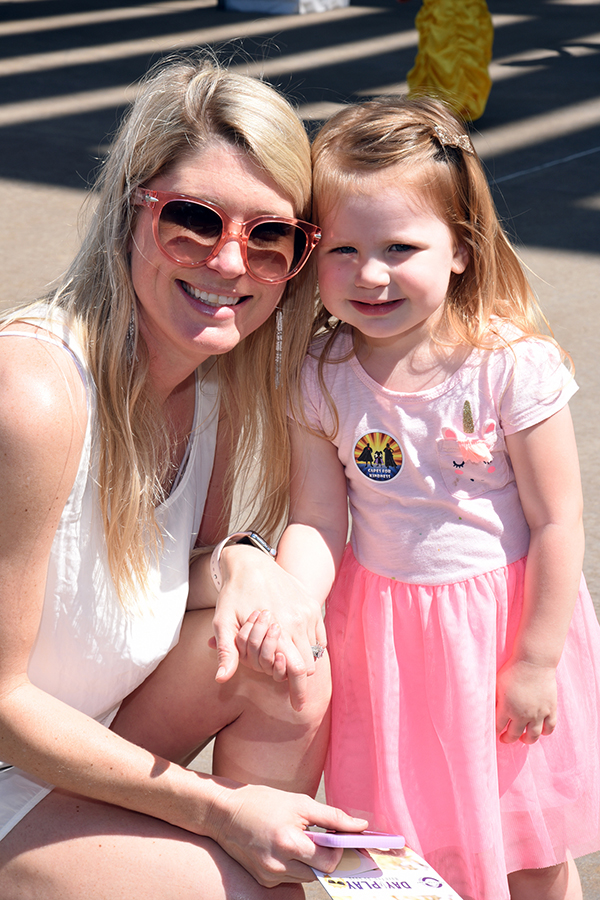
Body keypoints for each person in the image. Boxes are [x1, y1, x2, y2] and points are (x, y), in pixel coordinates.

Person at [0, 56, 366, 899]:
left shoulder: (212, 389)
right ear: (130, 211)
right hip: (11, 756)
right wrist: (217, 810)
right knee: (240, 885)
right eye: (194, 221)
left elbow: (151, 580)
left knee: (286, 658)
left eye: (271, 237)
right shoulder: (33, 395)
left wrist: (240, 563)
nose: (230, 263)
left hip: (84, 740)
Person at [258, 97, 600, 900]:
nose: (370, 274)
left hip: (501, 633)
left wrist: (536, 660)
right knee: (401, 835)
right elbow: (317, 518)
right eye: (342, 249)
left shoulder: (509, 365)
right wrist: (293, 603)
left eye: (399, 247)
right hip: (384, 640)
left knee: (527, 840)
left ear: (461, 249)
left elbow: (557, 521)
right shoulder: (320, 376)